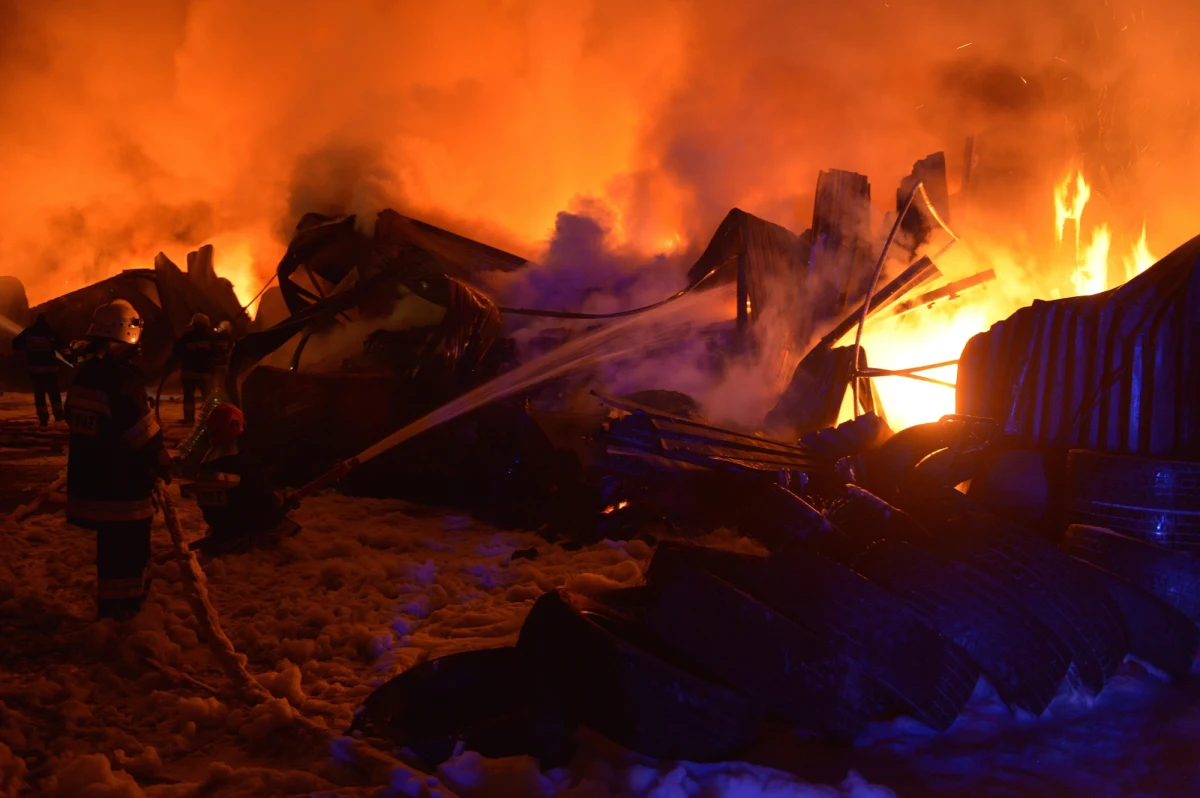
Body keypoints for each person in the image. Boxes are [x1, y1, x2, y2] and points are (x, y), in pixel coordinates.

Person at [65, 299, 170, 621]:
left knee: (110, 551)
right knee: (129, 551)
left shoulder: (84, 376)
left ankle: (110, 606)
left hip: (91, 481)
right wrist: (163, 461)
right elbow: (143, 435)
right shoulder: (123, 380)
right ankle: (124, 612)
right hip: (123, 486)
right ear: (128, 333)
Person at [182, 403, 297, 556]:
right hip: (243, 524)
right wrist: (281, 502)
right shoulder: (243, 462)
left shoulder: (208, 461)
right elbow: (261, 496)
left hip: (220, 525)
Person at [11, 314, 69, 426]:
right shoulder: (50, 332)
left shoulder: (29, 332)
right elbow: (62, 345)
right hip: (51, 369)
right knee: (54, 393)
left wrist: (27, 348)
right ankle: (58, 415)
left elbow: (16, 344)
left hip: (35, 368)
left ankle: (43, 417)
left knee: (39, 394)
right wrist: (70, 358)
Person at [167, 313, 216, 425]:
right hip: (205, 374)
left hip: (189, 373)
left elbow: (176, 353)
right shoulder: (210, 337)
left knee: (189, 397)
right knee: (208, 398)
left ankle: (189, 419)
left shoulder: (186, 337)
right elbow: (215, 354)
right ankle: (211, 419)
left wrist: (170, 365)